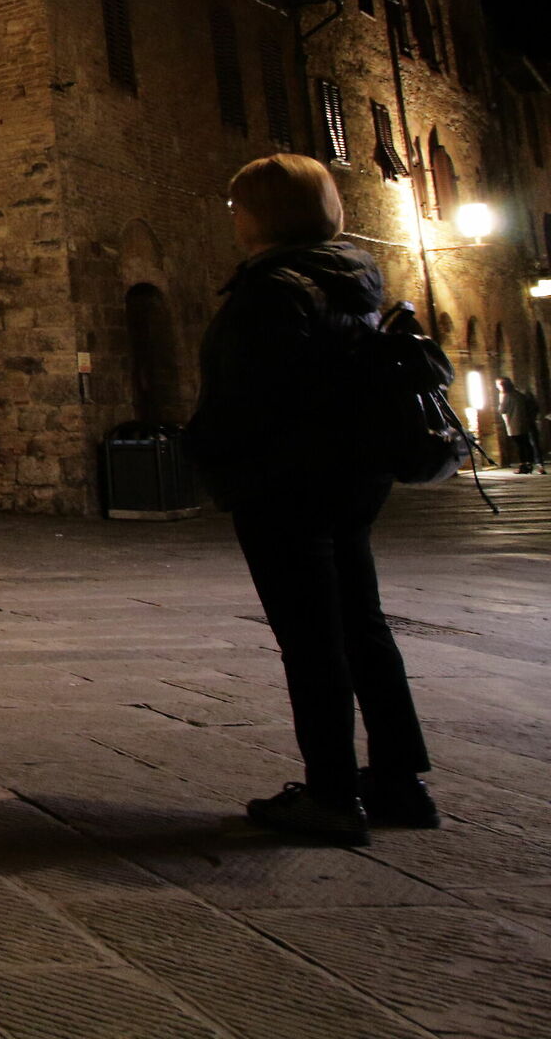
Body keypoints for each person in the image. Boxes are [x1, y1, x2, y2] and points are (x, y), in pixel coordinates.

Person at [185, 153, 436, 845]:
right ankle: (397, 781)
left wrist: (214, 454)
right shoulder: (351, 278)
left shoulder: (273, 289)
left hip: (287, 484)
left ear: (265, 213)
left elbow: (255, 396)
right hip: (351, 480)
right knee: (362, 625)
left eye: (240, 205)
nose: (233, 216)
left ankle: (330, 794)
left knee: (313, 640)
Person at [495, 376, 541, 473]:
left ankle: (523, 466)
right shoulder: (519, 395)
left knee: (520, 446)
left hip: (513, 424)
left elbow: (502, 410)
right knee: (526, 444)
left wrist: (500, 402)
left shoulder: (506, 396)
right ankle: (529, 464)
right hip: (523, 423)